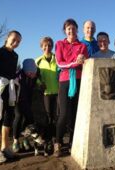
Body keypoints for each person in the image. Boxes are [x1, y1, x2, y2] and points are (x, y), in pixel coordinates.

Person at [54, 18, 88, 157]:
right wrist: (75, 63)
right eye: (68, 28)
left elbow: (86, 63)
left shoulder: (82, 46)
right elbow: (60, 64)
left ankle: (73, 143)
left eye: (73, 28)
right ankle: (58, 143)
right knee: (63, 114)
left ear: (77, 30)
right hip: (65, 81)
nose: (71, 30)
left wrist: (82, 61)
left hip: (80, 81)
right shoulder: (59, 44)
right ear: (65, 30)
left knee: (76, 113)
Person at [0, 30, 22, 163]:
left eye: (18, 41)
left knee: (8, 117)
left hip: (10, 88)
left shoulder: (15, 55)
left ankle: (5, 148)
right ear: (7, 38)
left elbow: (12, 74)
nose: (15, 43)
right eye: (14, 39)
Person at [35, 36, 59, 149]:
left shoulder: (57, 58)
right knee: (49, 116)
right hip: (46, 93)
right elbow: (35, 76)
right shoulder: (38, 60)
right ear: (41, 47)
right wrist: (40, 83)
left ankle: (56, 139)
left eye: (49, 45)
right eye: (45, 45)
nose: (47, 47)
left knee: (57, 116)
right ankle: (49, 139)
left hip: (58, 91)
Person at [12, 59, 38, 153]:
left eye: (33, 72)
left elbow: (36, 82)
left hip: (27, 100)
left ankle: (25, 139)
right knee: (18, 117)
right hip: (17, 101)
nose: (31, 74)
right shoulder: (18, 75)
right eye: (29, 72)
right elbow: (13, 89)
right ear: (25, 70)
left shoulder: (35, 74)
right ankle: (15, 141)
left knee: (30, 119)